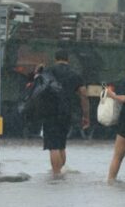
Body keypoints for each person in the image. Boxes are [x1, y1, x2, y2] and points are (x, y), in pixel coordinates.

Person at [40, 50, 90, 178]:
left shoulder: (48, 72)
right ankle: (62, 173)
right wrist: (86, 116)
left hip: (49, 112)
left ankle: (56, 176)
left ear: (55, 59)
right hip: (66, 112)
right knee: (61, 145)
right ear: (68, 59)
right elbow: (84, 95)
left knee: (53, 146)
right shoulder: (75, 74)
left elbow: (38, 90)